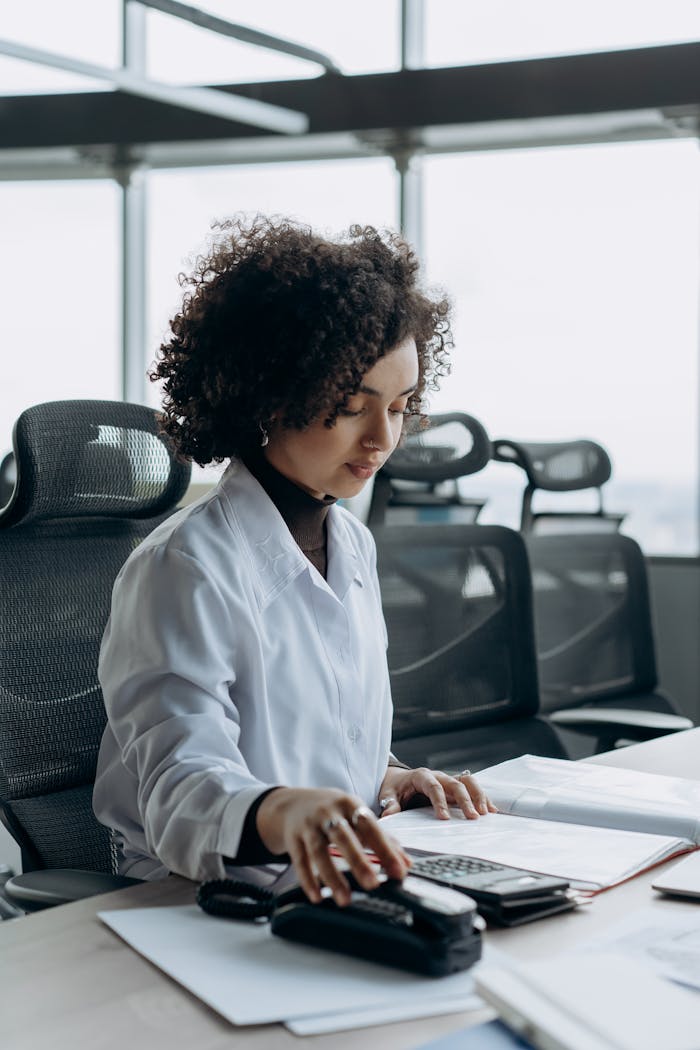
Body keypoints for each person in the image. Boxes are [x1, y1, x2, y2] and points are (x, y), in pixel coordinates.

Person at [93, 215, 495, 906]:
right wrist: (284, 812)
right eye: (351, 406)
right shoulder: (184, 566)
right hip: (195, 898)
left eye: (401, 407)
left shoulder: (354, 545)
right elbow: (178, 786)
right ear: (271, 393)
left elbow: (328, 734)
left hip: (336, 877)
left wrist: (389, 778)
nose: (382, 438)